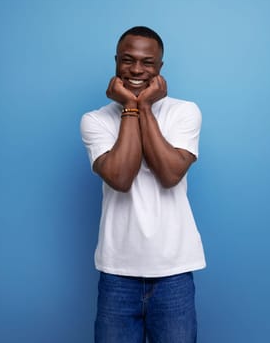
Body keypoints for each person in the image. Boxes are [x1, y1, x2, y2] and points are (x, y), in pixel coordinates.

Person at [80, 26, 206, 343]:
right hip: (117, 272)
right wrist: (131, 107)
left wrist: (144, 106)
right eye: (128, 60)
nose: (136, 70)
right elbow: (121, 178)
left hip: (174, 271)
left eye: (147, 62)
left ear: (160, 67)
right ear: (116, 62)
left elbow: (169, 174)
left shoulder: (184, 112)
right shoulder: (94, 120)